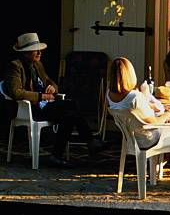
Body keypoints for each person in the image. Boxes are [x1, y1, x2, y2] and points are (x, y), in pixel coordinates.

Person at [4, 32, 104, 168]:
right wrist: (42, 96)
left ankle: (57, 156)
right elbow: (15, 92)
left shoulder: (37, 65)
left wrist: (53, 88)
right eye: (36, 50)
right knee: (71, 106)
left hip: (45, 106)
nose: (40, 53)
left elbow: (50, 82)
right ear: (26, 52)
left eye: (40, 49)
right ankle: (89, 142)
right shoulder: (15, 66)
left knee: (70, 115)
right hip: (30, 109)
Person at [107, 57, 170, 188]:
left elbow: (139, 115)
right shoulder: (135, 96)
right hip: (148, 138)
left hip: (131, 137)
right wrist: (167, 114)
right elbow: (153, 121)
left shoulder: (109, 95)